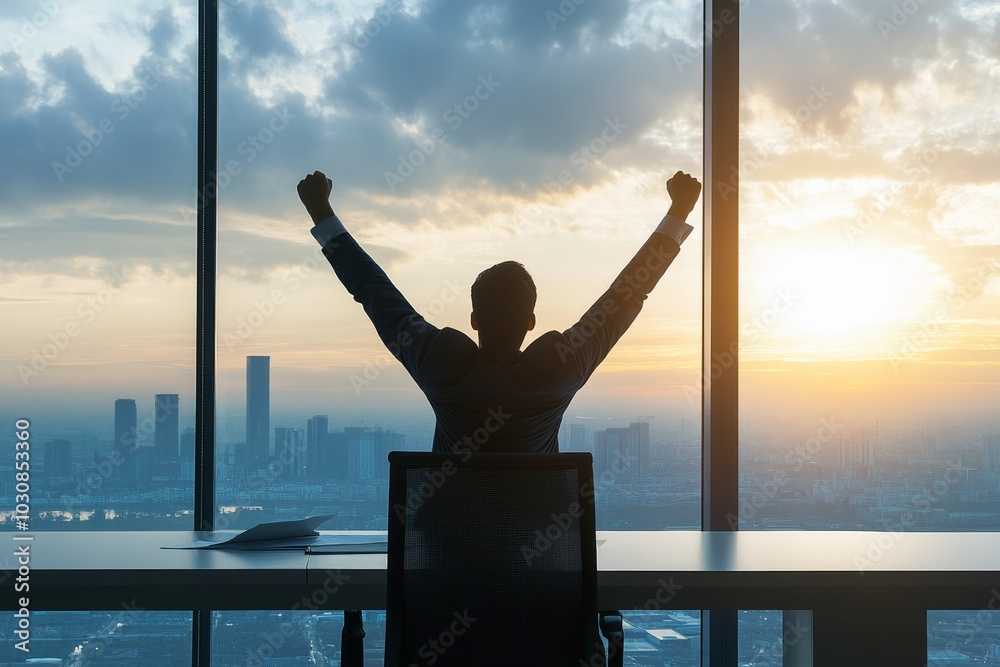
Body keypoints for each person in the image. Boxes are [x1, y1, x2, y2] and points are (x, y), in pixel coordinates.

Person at [297, 169, 701, 455]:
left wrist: (322, 213)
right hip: (539, 563)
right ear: (531, 322)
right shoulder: (562, 369)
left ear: (473, 320)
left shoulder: (438, 366)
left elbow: (375, 293)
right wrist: (677, 213)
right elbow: (625, 298)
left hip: (446, 559)